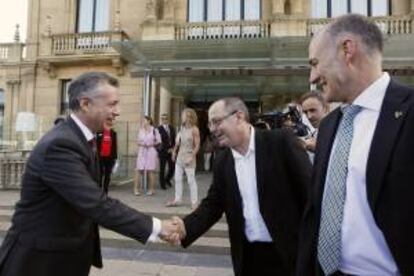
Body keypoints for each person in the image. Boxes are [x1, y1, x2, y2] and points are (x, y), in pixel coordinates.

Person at [0, 72, 180, 276]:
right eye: (112, 104)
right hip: (38, 262)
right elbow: (95, 203)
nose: (118, 111)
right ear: (85, 104)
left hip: (64, 257)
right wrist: (157, 227)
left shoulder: (79, 138)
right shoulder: (60, 145)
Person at [297, 14, 414, 276]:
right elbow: (315, 213)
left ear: (347, 50)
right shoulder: (329, 126)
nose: (312, 76)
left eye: (315, 63)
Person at [168, 97, 312, 275]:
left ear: (239, 116)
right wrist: (185, 227)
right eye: (210, 124)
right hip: (248, 259)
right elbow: (213, 204)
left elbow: (310, 194)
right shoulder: (222, 161)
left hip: (289, 255)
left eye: (216, 122)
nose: (212, 129)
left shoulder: (281, 142)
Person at [166, 108, 200, 209]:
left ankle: (194, 202)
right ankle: (177, 199)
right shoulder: (181, 128)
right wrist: (174, 152)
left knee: (191, 180)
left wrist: (192, 157)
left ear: (189, 117)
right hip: (180, 157)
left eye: (183, 115)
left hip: (189, 157)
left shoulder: (194, 129)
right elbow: (178, 142)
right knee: (177, 179)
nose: (182, 117)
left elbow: (197, 145)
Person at [134, 116, 161, 196]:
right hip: (142, 150)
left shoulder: (154, 130)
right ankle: (136, 189)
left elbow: (159, 141)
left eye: (144, 120)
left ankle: (151, 189)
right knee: (138, 170)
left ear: (149, 121)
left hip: (151, 151)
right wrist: (142, 143)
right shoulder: (141, 130)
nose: (143, 122)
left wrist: (151, 144)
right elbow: (137, 141)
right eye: (142, 120)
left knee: (150, 170)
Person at [96, 125, 117, 194]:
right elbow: (96, 144)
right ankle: (98, 189)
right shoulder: (99, 132)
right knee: (100, 173)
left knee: (107, 174)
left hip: (110, 157)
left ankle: (105, 191)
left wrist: (115, 158)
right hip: (100, 156)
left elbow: (114, 145)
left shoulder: (113, 133)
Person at [157, 113, 176, 190]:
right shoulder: (158, 129)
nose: (164, 120)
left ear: (168, 119)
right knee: (162, 168)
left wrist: (173, 148)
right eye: (162, 119)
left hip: (171, 151)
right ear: (161, 120)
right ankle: (162, 184)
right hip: (163, 151)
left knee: (172, 167)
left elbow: (174, 139)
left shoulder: (171, 128)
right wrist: (165, 149)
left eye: (165, 118)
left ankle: (167, 179)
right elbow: (158, 142)